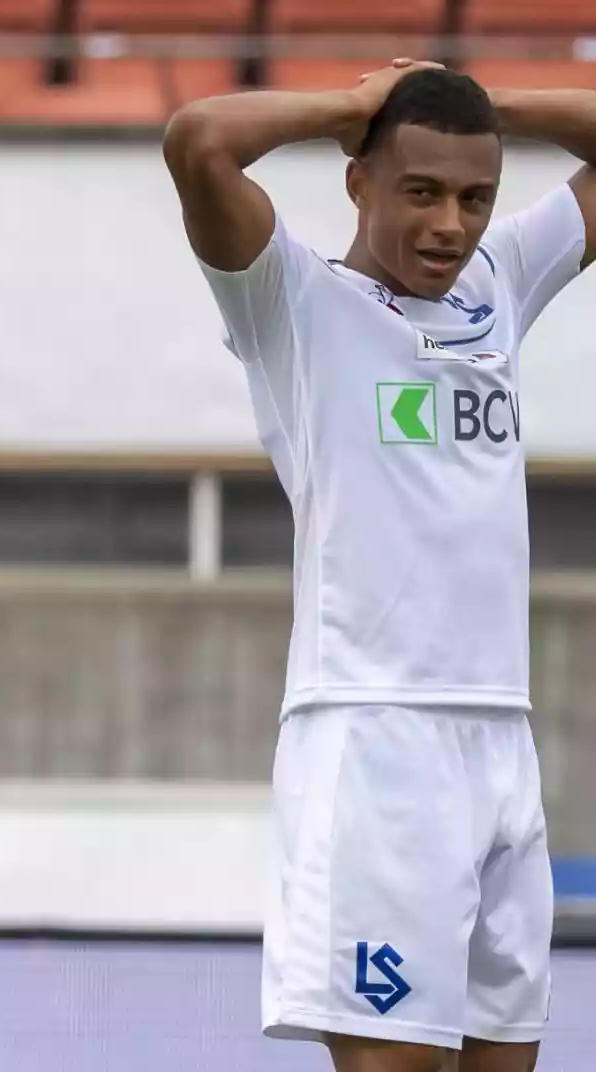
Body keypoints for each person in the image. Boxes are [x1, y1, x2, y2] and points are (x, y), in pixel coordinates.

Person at [164, 60, 596, 1072]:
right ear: (357, 181)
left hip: (502, 741)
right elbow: (198, 140)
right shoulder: (293, 301)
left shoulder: (499, 280)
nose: (451, 225)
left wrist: (478, 100)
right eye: (421, 191)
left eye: (475, 197)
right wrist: (359, 104)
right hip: (371, 741)